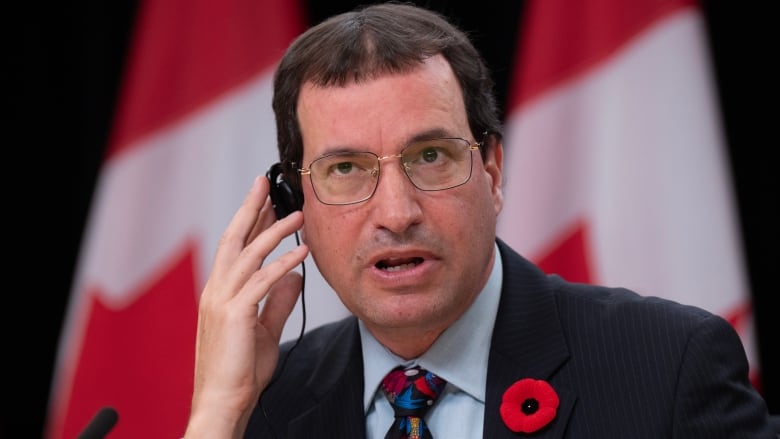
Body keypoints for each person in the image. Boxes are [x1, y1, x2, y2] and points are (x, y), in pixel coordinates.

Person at [183, 2, 775, 438]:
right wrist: (217, 414)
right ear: (297, 204)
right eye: (346, 168)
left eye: (431, 157)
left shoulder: (667, 367)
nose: (396, 213)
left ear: (492, 171)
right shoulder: (260, 406)